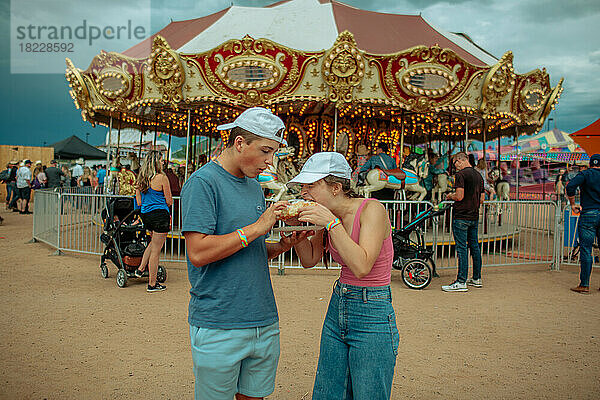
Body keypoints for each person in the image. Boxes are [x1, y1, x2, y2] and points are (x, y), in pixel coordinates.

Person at [181, 107, 308, 400]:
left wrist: (280, 247)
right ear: (239, 143)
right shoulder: (203, 183)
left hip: (263, 318)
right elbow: (198, 252)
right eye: (265, 151)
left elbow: (245, 251)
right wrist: (259, 226)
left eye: (273, 153)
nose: (269, 162)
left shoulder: (253, 186)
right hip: (220, 321)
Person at [286, 151, 400, 399]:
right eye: (303, 186)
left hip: (372, 307)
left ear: (336, 187)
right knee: (328, 391)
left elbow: (362, 266)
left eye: (311, 185)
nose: (304, 192)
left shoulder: (372, 210)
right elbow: (309, 260)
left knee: (368, 393)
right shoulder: (324, 215)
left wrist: (331, 224)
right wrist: (294, 234)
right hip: (339, 303)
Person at [442, 152, 484, 292]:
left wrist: (450, 195)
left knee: (461, 249)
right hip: (474, 216)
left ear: (460, 160)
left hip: (461, 216)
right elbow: (482, 199)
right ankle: (476, 278)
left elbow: (459, 196)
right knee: (475, 247)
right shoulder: (479, 175)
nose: (455, 166)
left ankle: (461, 281)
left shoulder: (460, 175)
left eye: (455, 163)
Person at [133, 151, 173, 292]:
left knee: (153, 243)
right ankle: (152, 284)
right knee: (156, 250)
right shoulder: (162, 178)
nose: (163, 162)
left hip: (146, 215)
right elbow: (169, 201)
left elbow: (139, 201)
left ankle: (141, 268)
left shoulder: (141, 179)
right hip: (159, 215)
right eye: (162, 160)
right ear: (156, 162)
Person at [566, 154, 600, 294]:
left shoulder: (585, 174)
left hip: (589, 213)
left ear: (590, 164)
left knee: (586, 249)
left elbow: (571, 186)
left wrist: (573, 204)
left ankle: (584, 284)